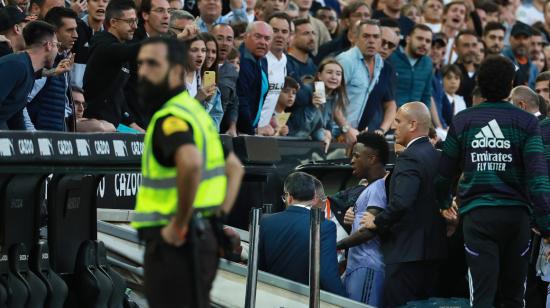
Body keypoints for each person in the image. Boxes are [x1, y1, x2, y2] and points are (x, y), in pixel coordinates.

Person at [131, 37, 244, 307]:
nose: (143, 71)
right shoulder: (196, 113)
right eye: (140, 63)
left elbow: (191, 163)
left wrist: (179, 225)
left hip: (175, 244)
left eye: (153, 64)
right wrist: (215, 219)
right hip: (201, 239)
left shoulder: (171, 117)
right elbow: (234, 169)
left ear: (176, 72)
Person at [436, 55, 550, 307]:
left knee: (482, 296)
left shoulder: (463, 120)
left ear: (480, 82)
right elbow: (538, 179)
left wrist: (444, 203)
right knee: (513, 296)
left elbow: (443, 174)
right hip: (516, 218)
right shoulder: (527, 121)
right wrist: (547, 226)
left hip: (478, 218)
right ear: (510, 83)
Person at [361, 101, 447, 307]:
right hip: (433, 251)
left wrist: (377, 221)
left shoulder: (410, 157)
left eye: (398, 121)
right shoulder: (435, 155)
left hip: (406, 253)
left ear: (412, 125)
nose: (393, 126)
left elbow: (402, 202)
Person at [258, 172, 347, 297]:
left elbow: (260, 266)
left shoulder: (266, 221)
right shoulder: (325, 226)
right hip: (306, 299)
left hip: (273, 294)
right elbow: (327, 275)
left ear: (288, 197)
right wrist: (345, 300)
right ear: (315, 197)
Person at [337, 132, 389, 306]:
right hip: (358, 266)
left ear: (372, 158)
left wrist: (338, 244)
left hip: (368, 266)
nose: (352, 160)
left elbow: (369, 231)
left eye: (356, 156)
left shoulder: (379, 187)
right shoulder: (371, 187)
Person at [83, 0, 144, 131]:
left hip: (115, 124)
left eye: (136, 21)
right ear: (113, 23)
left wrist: (131, 123)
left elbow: (118, 92)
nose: (135, 26)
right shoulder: (103, 45)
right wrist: (172, 41)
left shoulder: (122, 48)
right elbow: (132, 50)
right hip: (96, 127)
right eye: (130, 21)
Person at [337, 19, 397, 138]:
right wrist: (345, 128)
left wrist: (381, 130)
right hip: (335, 131)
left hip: (357, 134)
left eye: (376, 37)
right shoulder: (346, 61)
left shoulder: (381, 64)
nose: (371, 41)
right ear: (356, 38)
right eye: (366, 36)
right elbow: (326, 95)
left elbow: (390, 103)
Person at [26, 6, 78, 132]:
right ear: (54, 33)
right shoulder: (41, 61)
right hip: (41, 136)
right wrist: (31, 132)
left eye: (75, 29)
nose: (75, 35)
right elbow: (22, 101)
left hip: (58, 133)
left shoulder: (63, 58)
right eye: (70, 30)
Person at [0, 20, 57, 129]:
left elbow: (15, 116)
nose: (57, 50)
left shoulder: (29, 71)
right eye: (57, 45)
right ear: (49, 45)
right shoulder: (16, 65)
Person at [256, 12, 290, 134]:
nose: (280, 35)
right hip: (250, 130)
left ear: (290, 36)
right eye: (275, 30)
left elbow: (274, 98)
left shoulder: (284, 60)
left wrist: (276, 121)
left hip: (265, 131)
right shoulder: (259, 59)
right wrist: (254, 127)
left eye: (284, 31)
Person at [236, 21, 272, 135]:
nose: (263, 42)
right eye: (258, 37)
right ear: (245, 37)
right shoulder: (241, 61)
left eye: (267, 38)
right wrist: (251, 131)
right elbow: (241, 101)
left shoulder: (263, 60)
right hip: (238, 131)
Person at [389, 24, 433, 108]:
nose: (424, 43)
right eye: (419, 38)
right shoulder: (391, 57)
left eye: (428, 41)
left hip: (415, 117)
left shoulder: (428, 63)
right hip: (392, 114)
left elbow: (426, 95)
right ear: (408, 39)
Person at [71, 0, 108, 88]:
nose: (101, 4)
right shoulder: (74, 28)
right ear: (85, 4)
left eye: (105, 1)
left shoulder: (109, 36)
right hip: (73, 94)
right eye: (95, 0)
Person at [211, 23, 240, 136]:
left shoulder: (232, 71)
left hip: (218, 133)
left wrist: (232, 126)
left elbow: (233, 102)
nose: (224, 43)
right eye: (219, 38)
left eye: (229, 39)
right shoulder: (198, 65)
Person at [503, 21, 538, 88]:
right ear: (510, 39)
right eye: (517, 37)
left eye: (525, 38)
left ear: (530, 40)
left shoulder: (534, 68)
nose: (522, 42)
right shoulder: (503, 60)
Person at [454, 30, 479, 108]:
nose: (471, 49)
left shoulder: (484, 71)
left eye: (474, 45)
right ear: (456, 49)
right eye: (466, 45)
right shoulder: (449, 72)